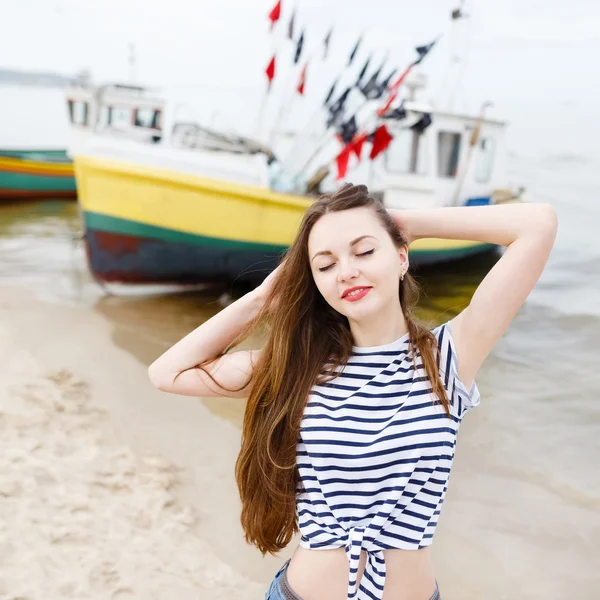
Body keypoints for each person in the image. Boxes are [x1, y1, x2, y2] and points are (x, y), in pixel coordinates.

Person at [148, 183, 558, 600]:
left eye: (364, 252)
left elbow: (537, 224)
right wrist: (267, 295)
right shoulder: (299, 368)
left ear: (401, 258)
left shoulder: (448, 358)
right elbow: (168, 372)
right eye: (324, 266)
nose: (346, 271)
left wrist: (406, 223)